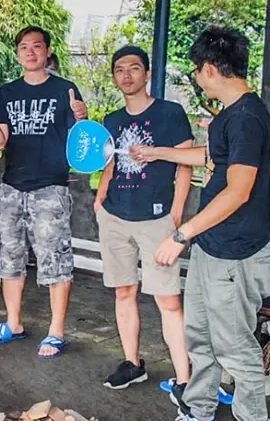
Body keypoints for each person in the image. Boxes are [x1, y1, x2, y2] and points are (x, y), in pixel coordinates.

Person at [129, 26, 270, 421]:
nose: (196, 77)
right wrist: (157, 152)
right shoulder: (230, 114)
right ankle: (199, 408)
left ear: (209, 68)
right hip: (213, 246)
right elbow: (211, 157)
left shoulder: (247, 118)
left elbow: (238, 190)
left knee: (235, 348)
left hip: (236, 251)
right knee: (200, 337)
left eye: (196, 70)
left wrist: (181, 234)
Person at [0, 26, 88, 358]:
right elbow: (0, 141)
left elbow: (81, 141)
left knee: (55, 259)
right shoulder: (8, 92)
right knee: (9, 257)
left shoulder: (65, 89)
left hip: (50, 187)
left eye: (36, 46)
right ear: (17, 54)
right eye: (24, 47)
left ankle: (56, 331)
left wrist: (82, 117)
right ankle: (14, 322)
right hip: (12, 186)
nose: (30, 52)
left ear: (47, 51)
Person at [92, 46, 193, 390]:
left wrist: (176, 213)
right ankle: (133, 364)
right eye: (119, 69)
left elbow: (186, 163)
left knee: (168, 301)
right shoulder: (112, 120)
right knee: (124, 291)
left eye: (134, 68)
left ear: (147, 74)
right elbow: (110, 164)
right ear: (114, 77)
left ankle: (184, 379)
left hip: (156, 218)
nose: (127, 75)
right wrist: (101, 199)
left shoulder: (170, 113)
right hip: (115, 215)